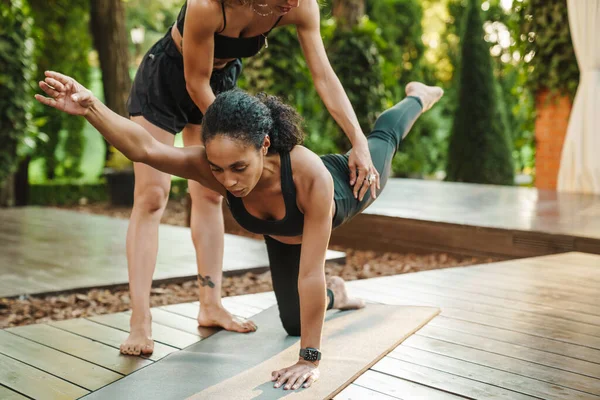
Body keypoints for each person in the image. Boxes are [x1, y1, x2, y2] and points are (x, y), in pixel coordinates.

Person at [35, 70, 443, 391]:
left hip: (345, 190)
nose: (228, 181)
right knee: (292, 323)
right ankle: (342, 292)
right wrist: (92, 108)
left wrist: (310, 359)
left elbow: (309, 272)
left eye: (238, 168)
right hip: (282, 232)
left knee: (381, 141)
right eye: (217, 168)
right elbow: (146, 149)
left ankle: (417, 96)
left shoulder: (309, 176)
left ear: (265, 145)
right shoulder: (215, 168)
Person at [125, 0, 381, 356]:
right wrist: (230, 136)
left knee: (211, 194)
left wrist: (358, 141)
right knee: (153, 195)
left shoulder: (299, 6)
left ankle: (210, 304)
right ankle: (140, 320)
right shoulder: (207, 5)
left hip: (221, 85)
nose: (292, 2)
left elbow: (323, 75)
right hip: (167, 80)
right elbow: (194, 81)